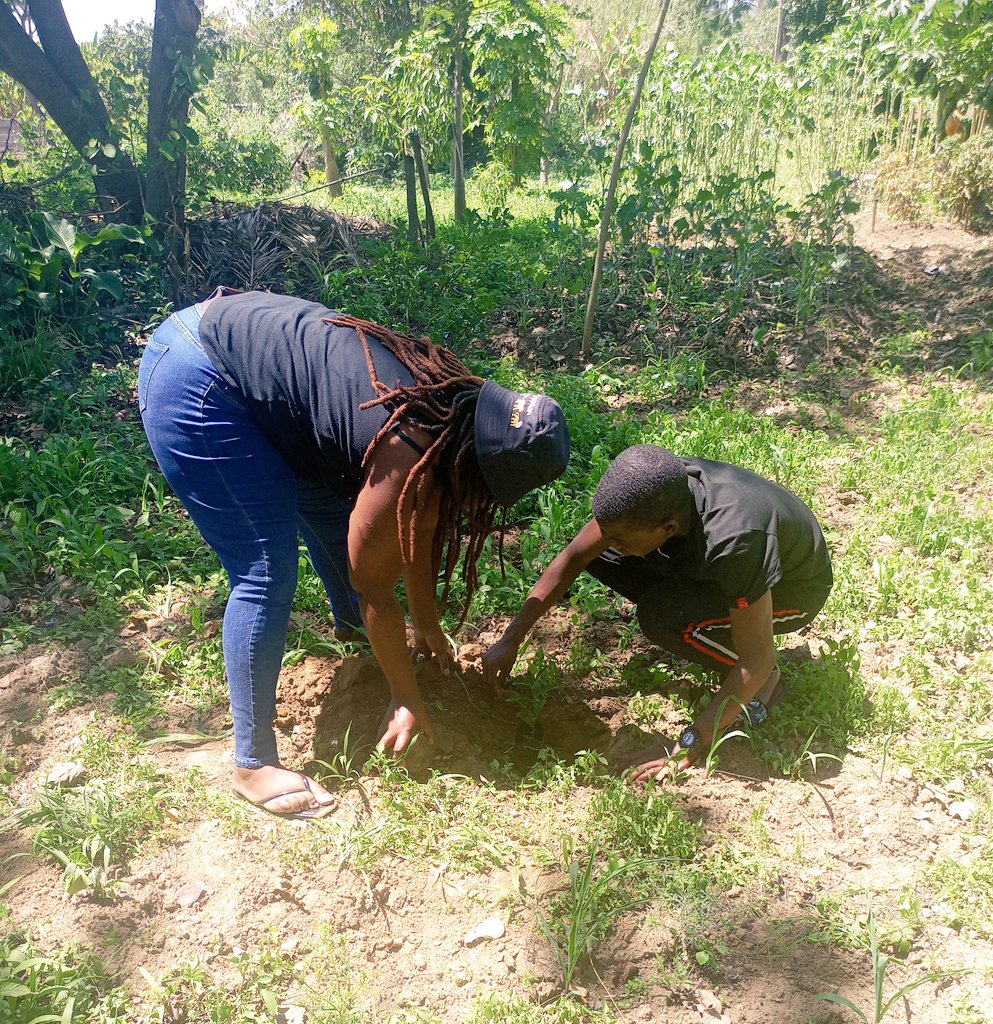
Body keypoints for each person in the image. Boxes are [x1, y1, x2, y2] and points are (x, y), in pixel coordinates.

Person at [139, 288, 570, 818]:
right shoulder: (409, 450)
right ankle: (253, 764)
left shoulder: (450, 412)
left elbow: (415, 530)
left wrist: (429, 625)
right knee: (266, 568)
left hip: (248, 358)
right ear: (481, 473)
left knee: (327, 506)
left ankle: (351, 630)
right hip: (201, 379)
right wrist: (406, 696)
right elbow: (378, 588)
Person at [482, 444, 832, 782]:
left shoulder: (733, 541)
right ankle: (709, 619)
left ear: (666, 529)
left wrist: (688, 745)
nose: (607, 538)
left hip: (792, 588)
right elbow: (575, 556)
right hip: (727, 567)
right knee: (601, 557)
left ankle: (767, 686)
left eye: (618, 536)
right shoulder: (655, 490)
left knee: (665, 617)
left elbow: (755, 658)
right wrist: (511, 638)